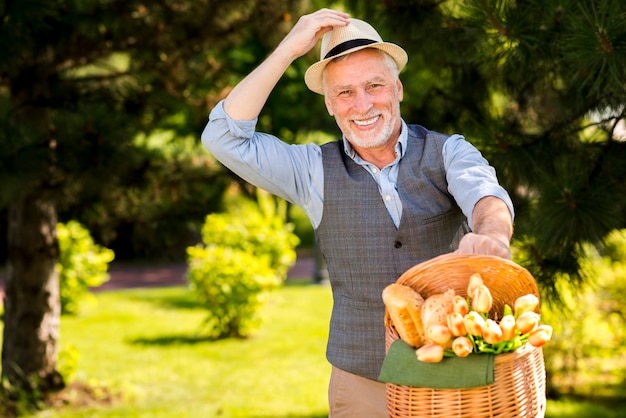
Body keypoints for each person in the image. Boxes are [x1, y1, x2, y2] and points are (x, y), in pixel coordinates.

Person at [201, 8, 514, 418]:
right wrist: (289, 50)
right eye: (345, 92)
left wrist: (492, 235)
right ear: (330, 105)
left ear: (398, 89)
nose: (362, 104)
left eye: (374, 85)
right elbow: (223, 137)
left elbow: (486, 196)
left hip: (457, 375)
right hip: (364, 386)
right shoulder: (311, 170)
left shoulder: (448, 150)